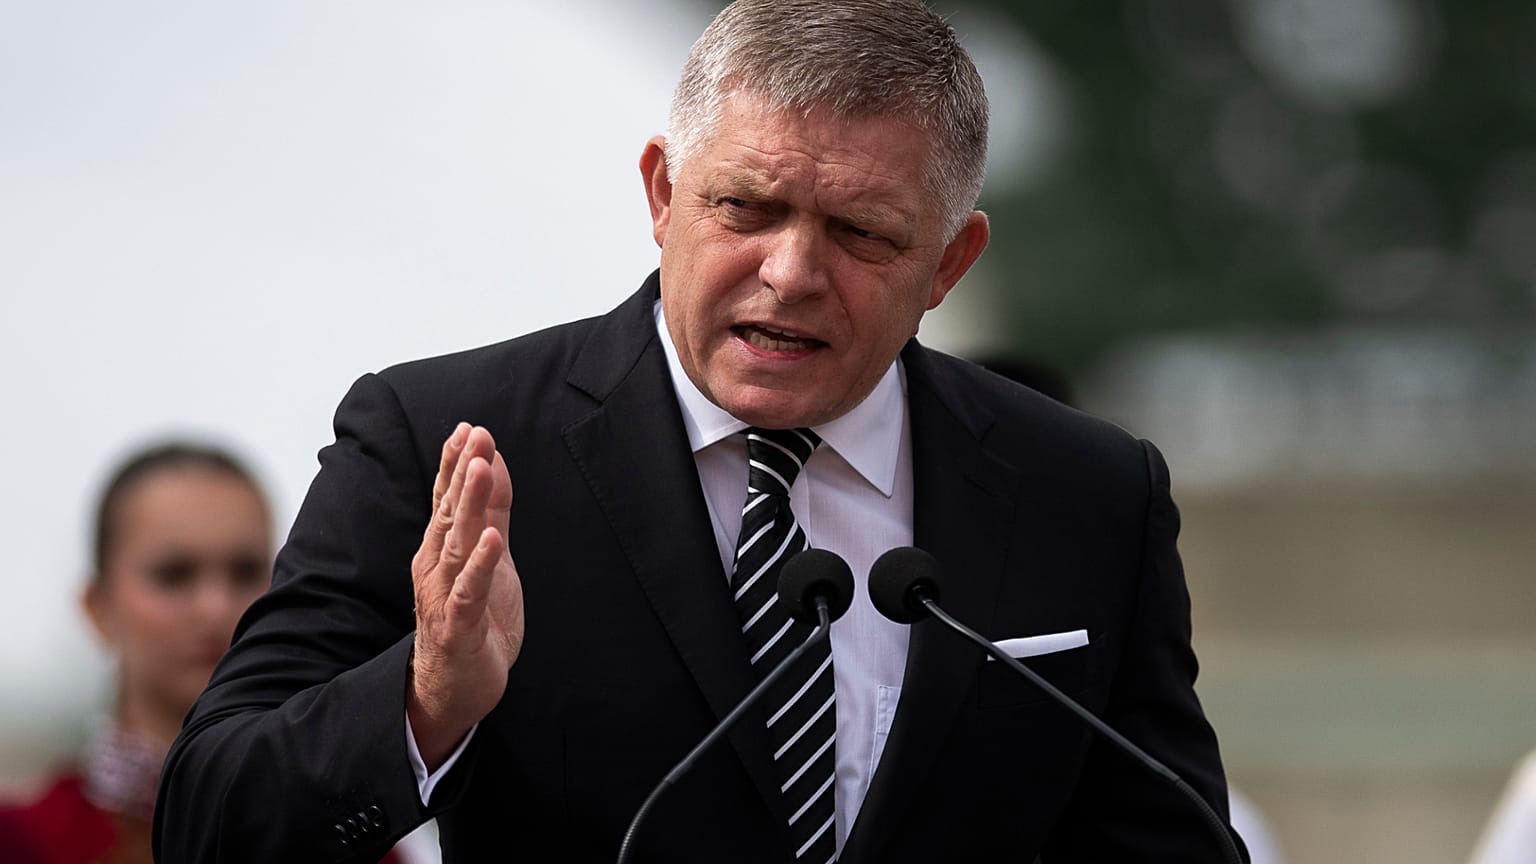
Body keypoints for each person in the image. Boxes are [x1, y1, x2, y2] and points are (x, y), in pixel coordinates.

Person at [155, 2, 1245, 861]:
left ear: (949, 264)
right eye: (747, 208)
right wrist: (425, 701)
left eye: (860, 231)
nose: (792, 272)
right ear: (663, 192)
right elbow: (211, 822)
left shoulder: (1089, 492)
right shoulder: (445, 439)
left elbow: (1169, 841)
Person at [0, 443, 274, 863]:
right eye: (173, 574)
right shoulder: (24, 843)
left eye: (246, 571)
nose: (216, 607)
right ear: (98, 607)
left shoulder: (355, 841)